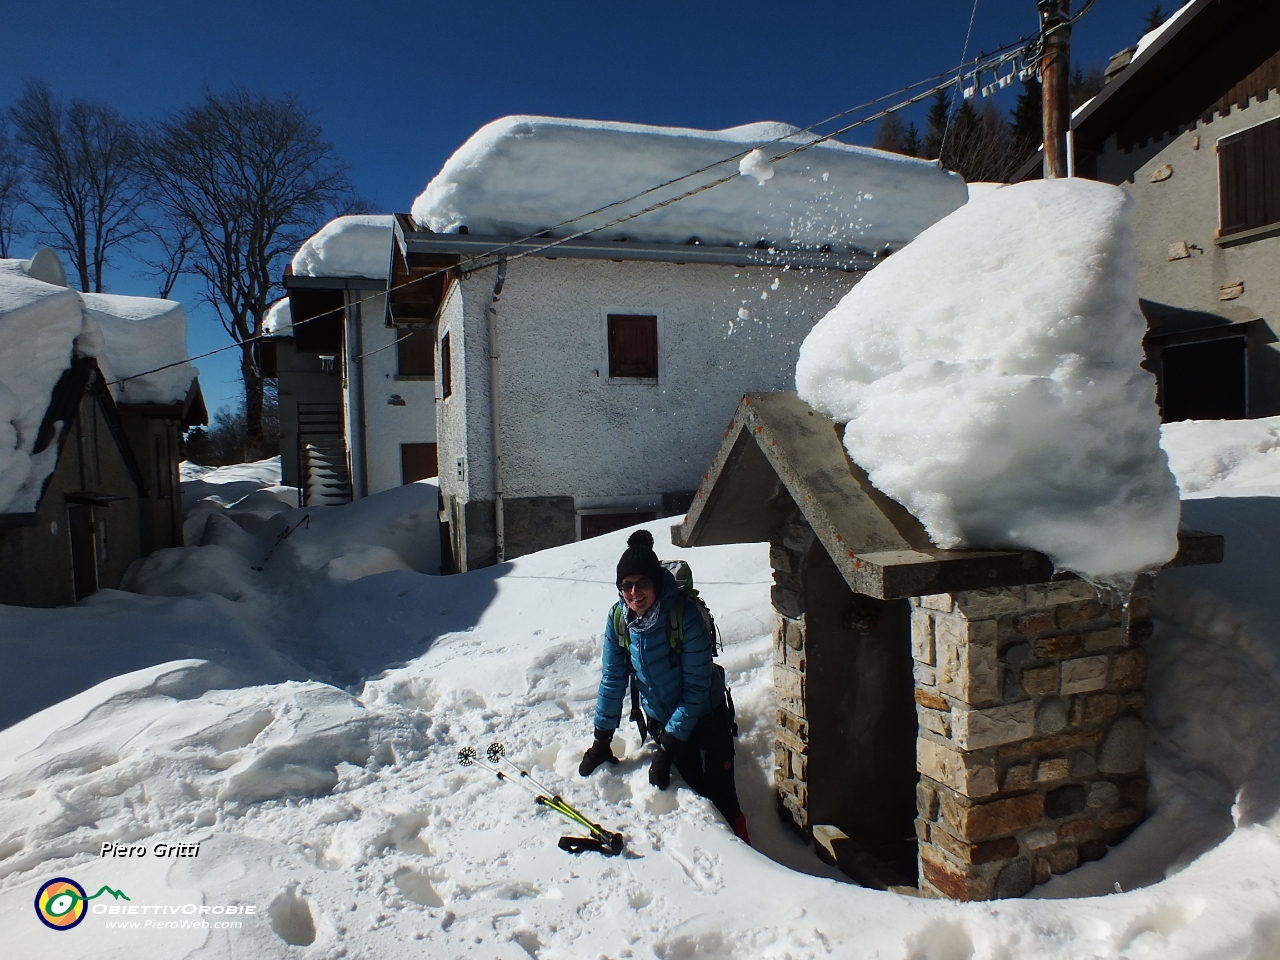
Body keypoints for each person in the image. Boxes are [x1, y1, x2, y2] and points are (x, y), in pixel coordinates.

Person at [579, 529, 750, 844]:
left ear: (656, 583)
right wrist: (602, 738)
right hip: (661, 718)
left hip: (707, 715)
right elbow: (613, 679)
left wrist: (668, 746)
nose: (634, 593)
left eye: (642, 583)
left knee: (722, 797)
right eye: (626, 585)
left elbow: (697, 688)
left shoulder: (683, 617)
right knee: (694, 794)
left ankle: (754, 866)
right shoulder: (619, 619)